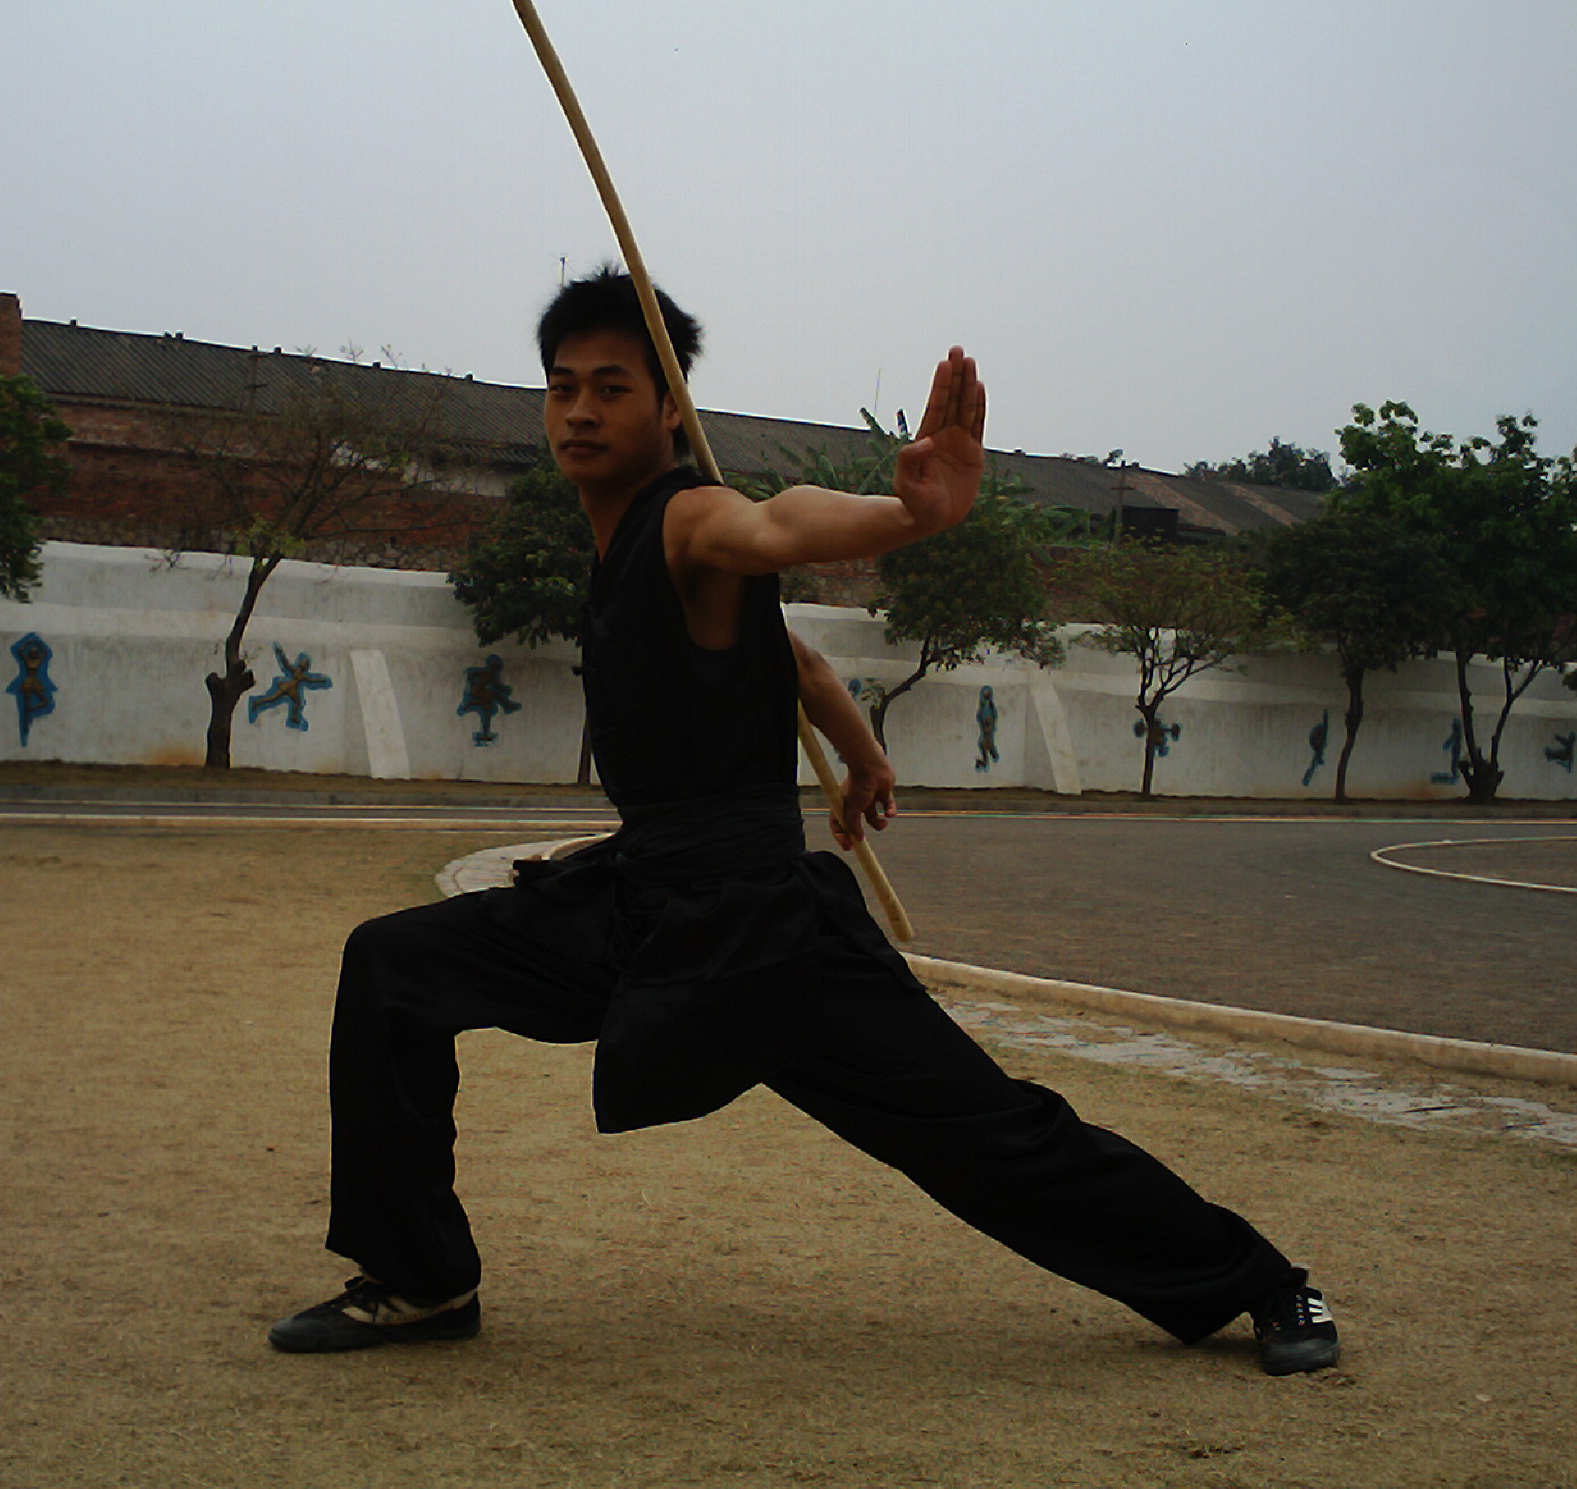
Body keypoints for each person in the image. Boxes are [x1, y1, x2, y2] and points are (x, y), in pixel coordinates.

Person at [269, 269, 1340, 1376]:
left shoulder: (687, 516)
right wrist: (863, 756)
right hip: (639, 905)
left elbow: (777, 524)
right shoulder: (618, 545)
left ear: (670, 408)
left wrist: (909, 516)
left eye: (612, 388)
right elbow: (802, 662)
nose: (580, 411)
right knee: (395, 966)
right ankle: (421, 1276)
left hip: (761, 932)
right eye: (562, 388)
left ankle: (1265, 1284)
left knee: (988, 1134)